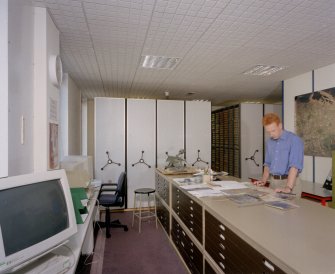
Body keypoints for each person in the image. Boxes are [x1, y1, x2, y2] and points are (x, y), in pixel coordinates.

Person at [254, 113, 304, 193]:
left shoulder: (294, 140)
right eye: (268, 132)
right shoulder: (270, 142)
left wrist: (288, 188)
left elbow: (294, 167)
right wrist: (263, 181)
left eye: (273, 131)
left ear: (280, 126)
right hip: (273, 182)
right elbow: (267, 164)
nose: (271, 134)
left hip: (289, 183)